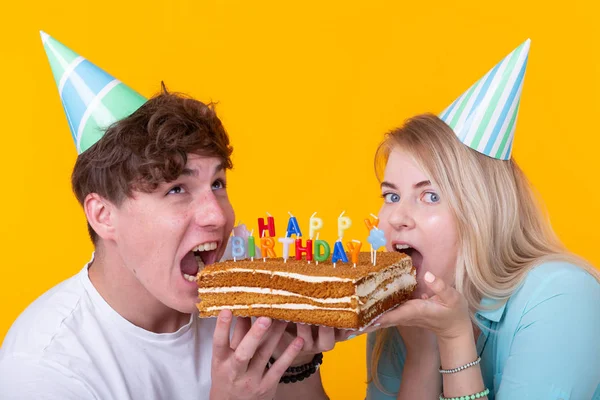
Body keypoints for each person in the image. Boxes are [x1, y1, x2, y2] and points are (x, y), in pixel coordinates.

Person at [0, 32, 342, 400]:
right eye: (176, 189)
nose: (216, 215)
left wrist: (295, 363)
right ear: (103, 215)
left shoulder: (242, 308)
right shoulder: (46, 368)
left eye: (218, 183)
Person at [365, 40, 600, 399]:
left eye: (430, 196)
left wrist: (455, 339)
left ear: (482, 213)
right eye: (391, 196)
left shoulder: (561, 297)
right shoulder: (402, 311)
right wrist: (422, 354)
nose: (397, 217)